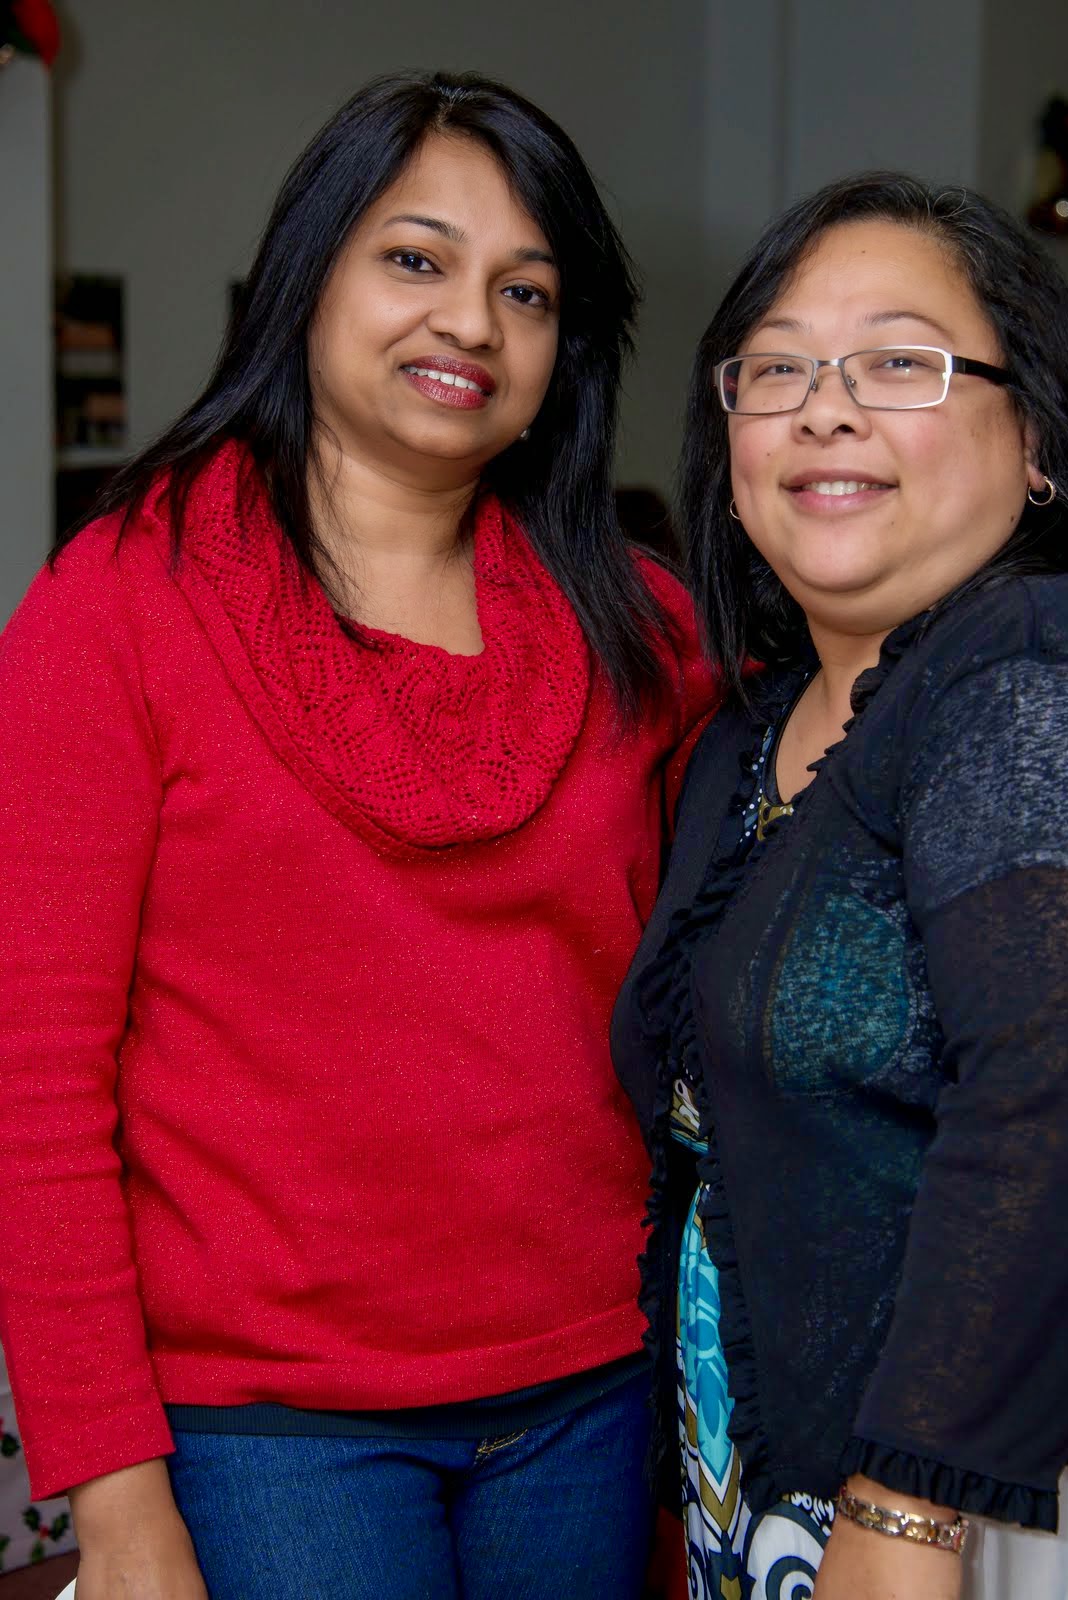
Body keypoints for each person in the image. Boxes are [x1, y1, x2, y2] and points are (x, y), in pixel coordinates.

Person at [0, 72, 714, 1600]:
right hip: (265, 1428)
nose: (470, 321)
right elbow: (33, 1084)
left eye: (526, 291)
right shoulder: (114, 609)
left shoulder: (644, 630)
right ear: (306, 275)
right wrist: (111, 1499)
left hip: (592, 1391)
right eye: (414, 259)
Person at [611, 172, 1068, 1600]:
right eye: (777, 368)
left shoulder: (1044, 660)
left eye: (901, 362)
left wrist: (908, 1507)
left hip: (996, 1504)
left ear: (1034, 436)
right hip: (783, 1487)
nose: (825, 409)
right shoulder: (747, 732)